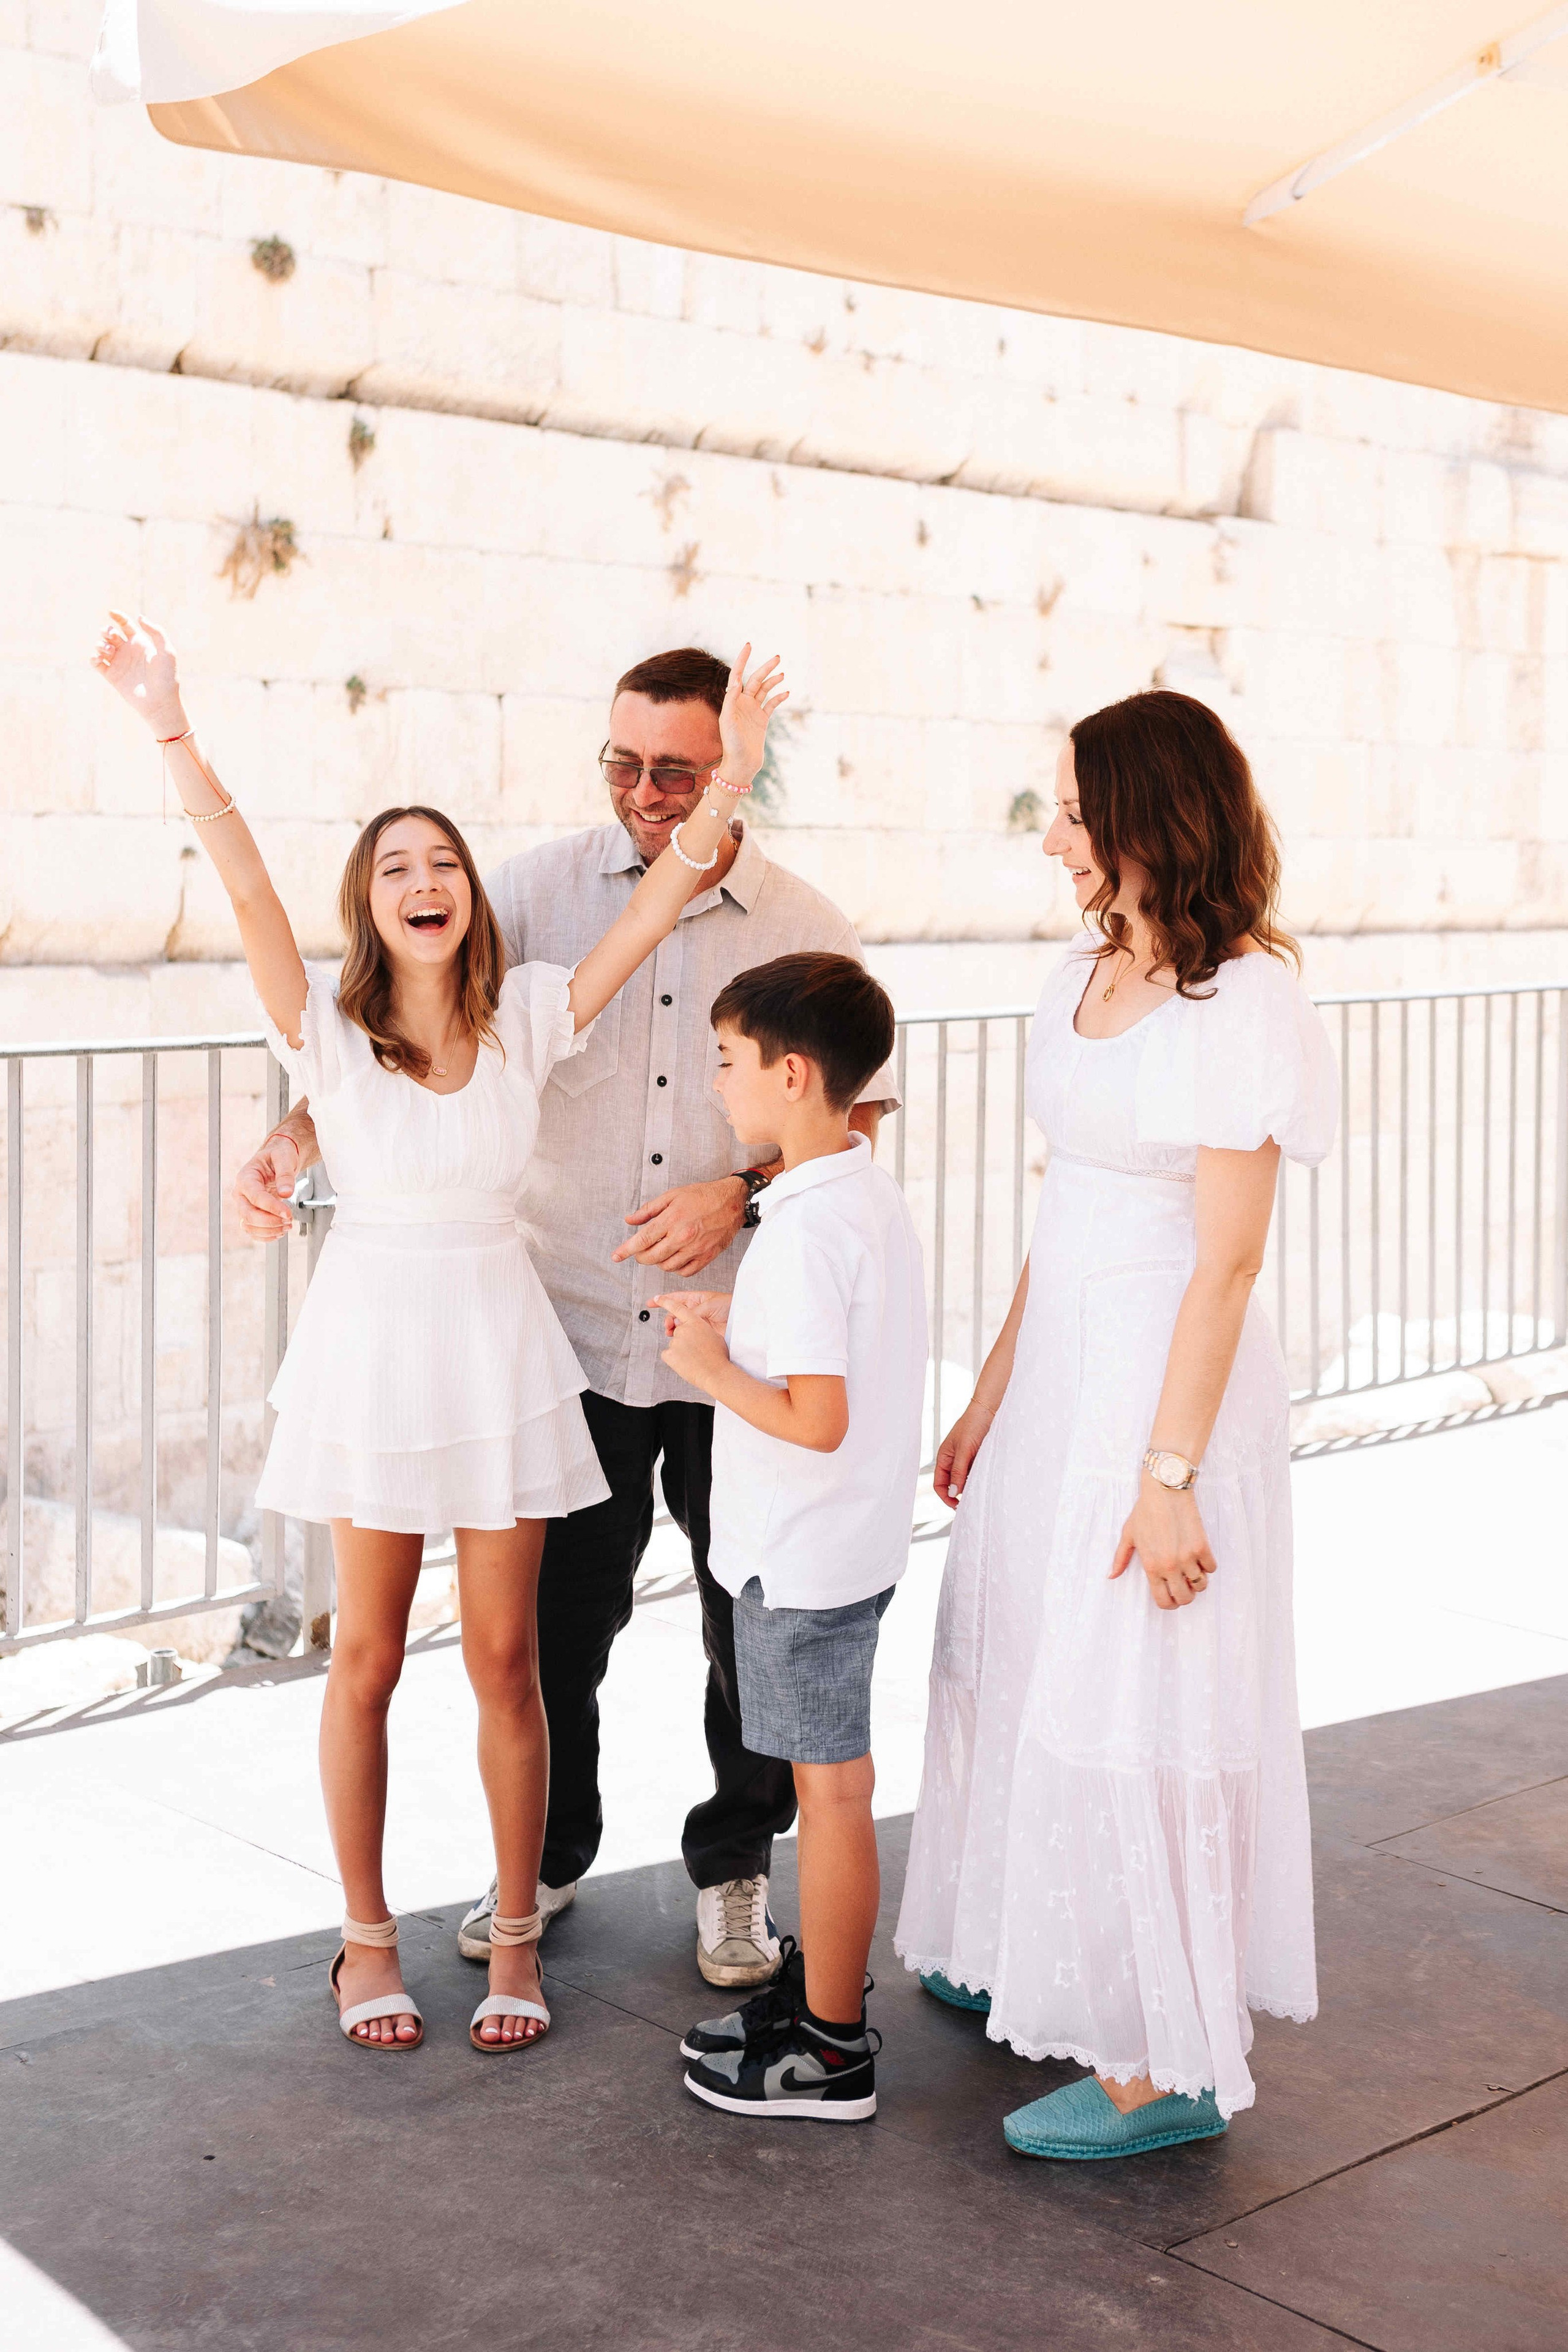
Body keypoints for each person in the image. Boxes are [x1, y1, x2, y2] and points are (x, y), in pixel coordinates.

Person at [91, 609, 787, 2054]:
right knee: (362, 1661)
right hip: (371, 1358)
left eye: (445, 864)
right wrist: (170, 728)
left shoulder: (531, 1012)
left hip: (499, 1354)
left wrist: (733, 775)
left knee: (509, 1664)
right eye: (396, 867)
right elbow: (242, 881)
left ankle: (517, 1934)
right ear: (372, 901)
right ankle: (363, 1945)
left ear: (473, 896)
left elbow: (662, 896)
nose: (425, 882)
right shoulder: (327, 1032)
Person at [232, 649, 899, 1991]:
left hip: (732, 1343)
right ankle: (544, 1858)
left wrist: (735, 1193)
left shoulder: (809, 922)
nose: (645, 792)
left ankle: (733, 1868)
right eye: (622, 764)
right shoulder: (519, 896)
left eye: (677, 771)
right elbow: (382, 1041)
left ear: (726, 769)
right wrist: (296, 1136)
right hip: (561, 1335)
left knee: (747, 1620)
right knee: (551, 1637)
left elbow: (860, 1117)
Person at [895, 690, 1336, 2158]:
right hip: (1059, 1380)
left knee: (1140, 1693)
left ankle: (1167, 2060)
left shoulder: (1245, 1004)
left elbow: (1226, 1262)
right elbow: (1065, 1211)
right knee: (1020, 1649)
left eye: (1076, 815)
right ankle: (1026, 1950)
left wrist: (1168, 1476)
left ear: (1151, 818)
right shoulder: (1075, 976)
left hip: (1164, 1391)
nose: (1053, 839)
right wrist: (989, 1391)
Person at [656, 952, 925, 2123]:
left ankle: (831, 2048)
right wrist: (738, 1320)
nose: (716, 1083)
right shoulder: (855, 1194)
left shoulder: (806, 1230)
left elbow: (817, 1418)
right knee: (834, 1793)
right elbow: (833, 1346)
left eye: (727, 1060)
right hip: (844, 1547)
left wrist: (710, 1368)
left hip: (802, 1559)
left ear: (794, 1074)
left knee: (833, 1801)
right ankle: (819, 2002)